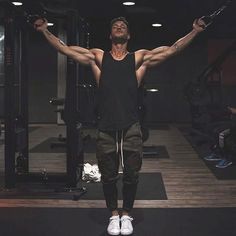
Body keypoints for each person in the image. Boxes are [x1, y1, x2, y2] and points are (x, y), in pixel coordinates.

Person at [33, 16, 206, 235]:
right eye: (115, 25)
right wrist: (44, 31)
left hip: (131, 126)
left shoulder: (139, 59)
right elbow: (65, 48)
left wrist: (195, 32)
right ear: (110, 34)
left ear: (128, 34)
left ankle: (127, 213)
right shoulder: (98, 57)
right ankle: (114, 214)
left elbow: (173, 49)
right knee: (108, 175)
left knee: (132, 174)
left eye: (123, 26)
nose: (119, 26)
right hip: (106, 126)